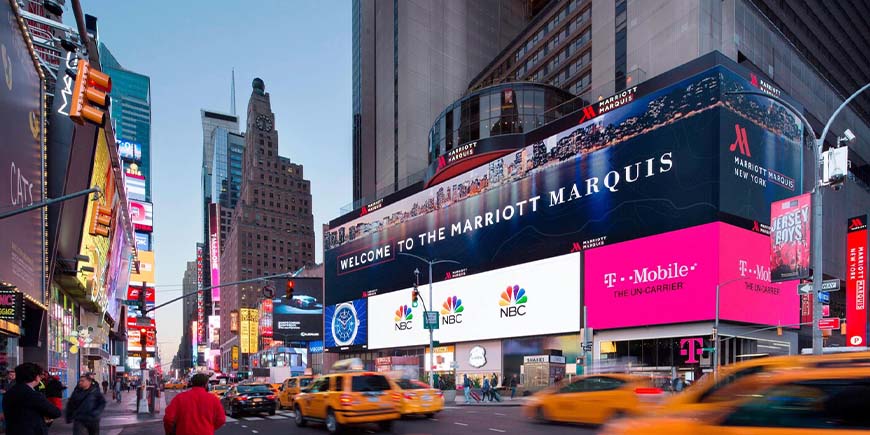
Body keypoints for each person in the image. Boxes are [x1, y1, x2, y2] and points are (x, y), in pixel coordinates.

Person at [2, 362, 62, 435]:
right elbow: (56, 412)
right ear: (36, 377)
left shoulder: (9, 393)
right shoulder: (33, 395)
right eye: (40, 376)